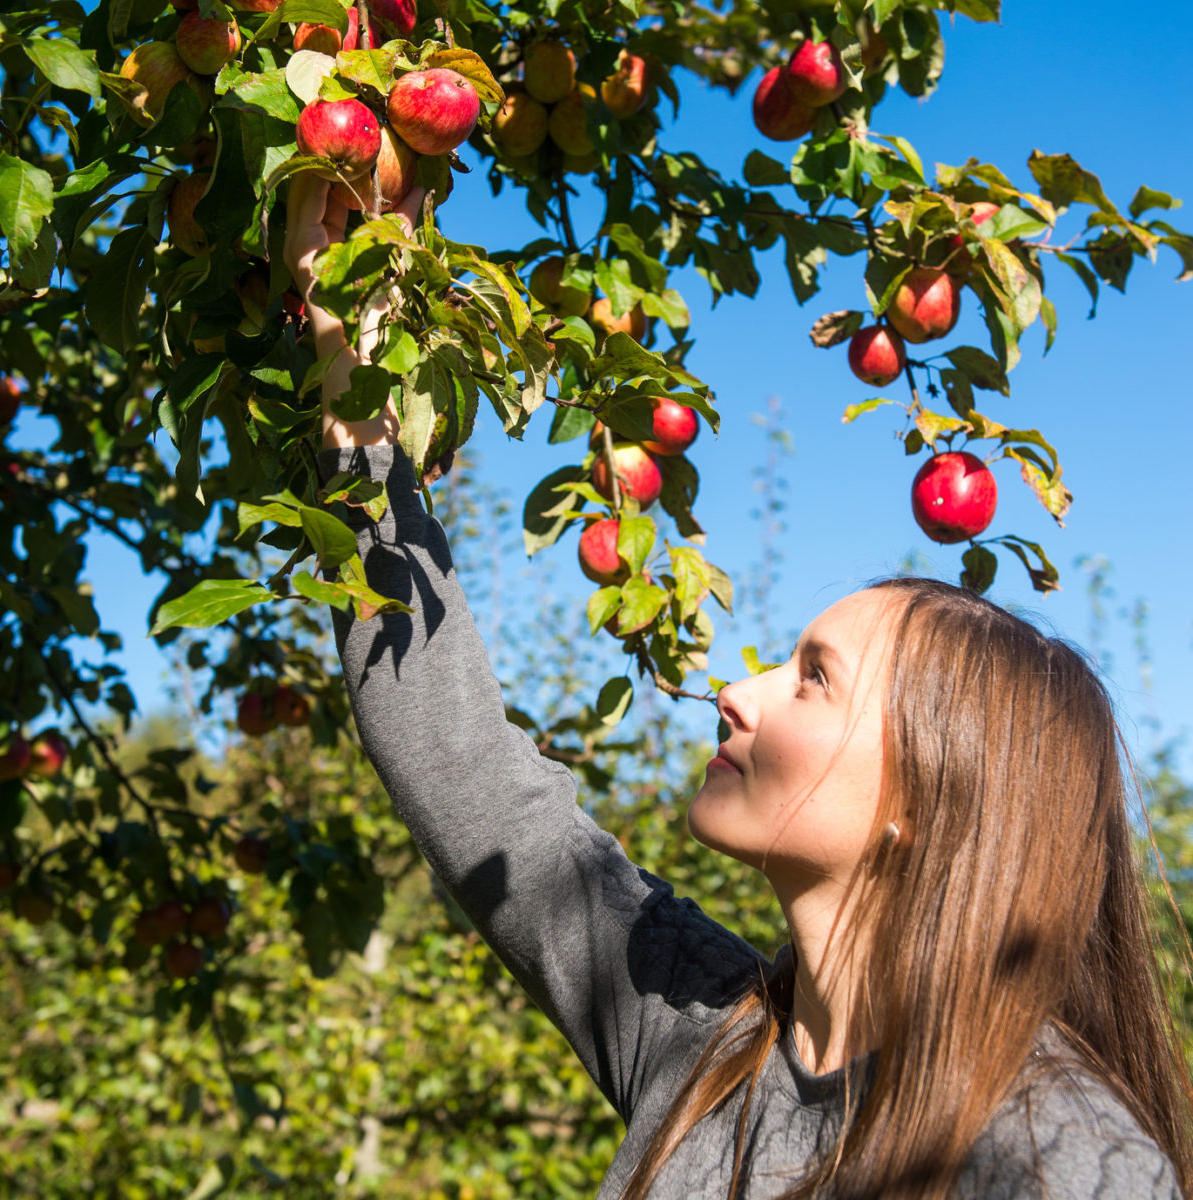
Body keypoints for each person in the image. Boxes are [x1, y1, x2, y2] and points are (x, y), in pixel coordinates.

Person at [283, 173, 1193, 1199]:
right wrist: (348, 368)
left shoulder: (1060, 1160)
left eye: (814, 681)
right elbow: (463, 770)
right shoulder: (699, 1035)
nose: (738, 691)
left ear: (924, 803)